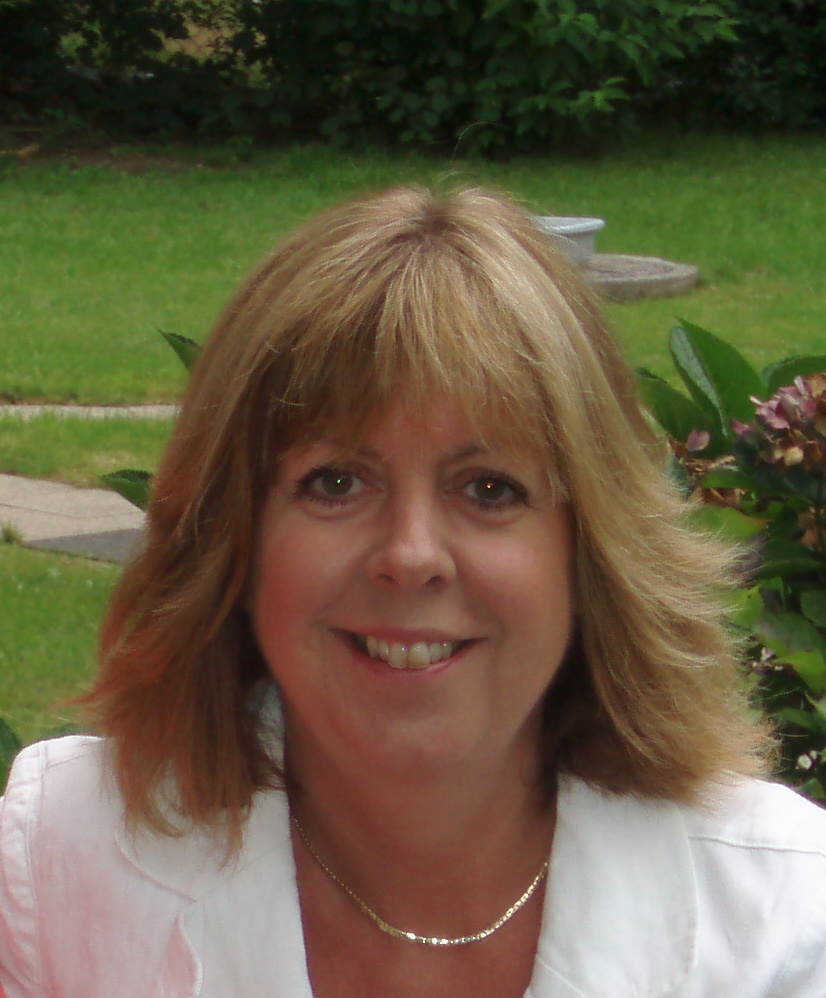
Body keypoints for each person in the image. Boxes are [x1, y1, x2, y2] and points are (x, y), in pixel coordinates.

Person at [1, 185, 825, 998]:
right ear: (236, 545)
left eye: (489, 489)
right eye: (335, 482)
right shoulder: (59, 865)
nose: (410, 555)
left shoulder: (783, 923)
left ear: (587, 555)